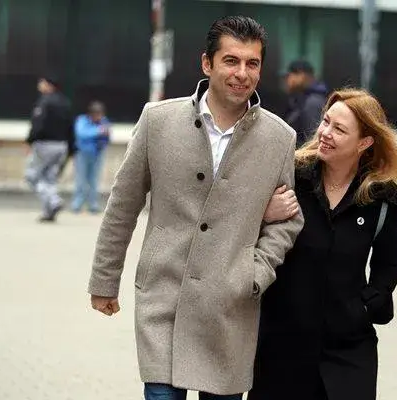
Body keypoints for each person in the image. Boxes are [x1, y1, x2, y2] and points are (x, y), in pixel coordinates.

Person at [87, 16, 304, 400]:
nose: (242, 73)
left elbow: (287, 220)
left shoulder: (280, 138)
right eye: (231, 61)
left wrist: (255, 273)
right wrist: (105, 281)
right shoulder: (158, 120)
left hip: (229, 309)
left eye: (252, 63)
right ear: (207, 63)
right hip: (163, 301)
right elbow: (122, 206)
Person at [249, 88, 397, 400]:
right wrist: (264, 212)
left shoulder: (382, 197)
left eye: (339, 129)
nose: (325, 133)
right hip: (282, 346)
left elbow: (390, 265)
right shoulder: (292, 177)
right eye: (326, 122)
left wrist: (365, 306)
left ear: (364, 143)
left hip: (348, 349)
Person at [24, 74, 75, 222]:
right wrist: (71, 148)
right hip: (62, 145)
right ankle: (49, 212)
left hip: (45, 145)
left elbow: (38, 124)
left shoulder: (45, 102)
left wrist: (29, 140)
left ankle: (54, 201)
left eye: (42, 82)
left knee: (33, 176)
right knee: (49, 179)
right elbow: (71, 127)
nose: (39, 85)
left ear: (49, 85)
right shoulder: (65, 103)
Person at [71, 101, 110, 213]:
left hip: (97, 154)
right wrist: (98, 131)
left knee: (94, 180)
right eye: (97, 114)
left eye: (100, 114)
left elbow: (107, 134)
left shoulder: (104, 121)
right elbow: (81, 134)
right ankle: (77, 204)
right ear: (91, 114)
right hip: (82, 154)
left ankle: (93, 204)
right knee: (81, 179)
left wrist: (102, 134)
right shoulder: (82, 120)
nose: (99, 117)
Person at [283, 60, 328, 148]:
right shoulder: (301, 98)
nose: (287, 80)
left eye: (288, 76)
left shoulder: (313, 102)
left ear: (301, 75)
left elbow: (312, 141)